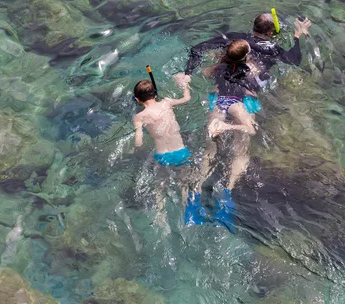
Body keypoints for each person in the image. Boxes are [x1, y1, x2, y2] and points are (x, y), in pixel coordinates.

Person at [180, 13, 312, 231]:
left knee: (208, 150)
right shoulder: (272, 51)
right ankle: (227, 196)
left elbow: (196, 50)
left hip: (218, 99)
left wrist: (187, 74)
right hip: (245, 104)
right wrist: (298, 35)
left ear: (253, 27)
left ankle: (193, 197)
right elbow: (294, 61)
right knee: (240, 153)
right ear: (272, 32)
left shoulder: (234, 42)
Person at [133, 74, 202, 227]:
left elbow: (138, 142)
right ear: (155, 94)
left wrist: (136, 146)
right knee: (183, 185)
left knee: (160, 186)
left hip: (162, 155)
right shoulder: (167, 102)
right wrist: (184, 84)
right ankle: (188, 214)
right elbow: (186, 98)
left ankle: (161, 217)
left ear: (137, 99)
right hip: (180, 152)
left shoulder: (140, 116)